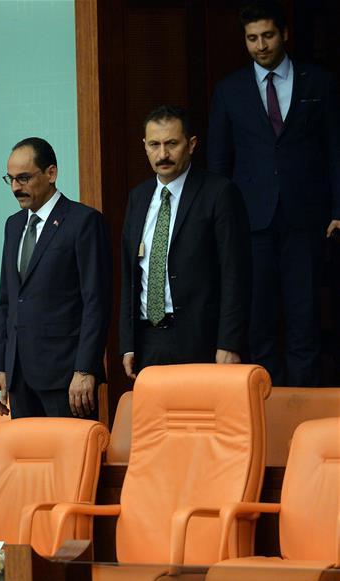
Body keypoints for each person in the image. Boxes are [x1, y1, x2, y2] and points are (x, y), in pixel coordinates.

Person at [207, 0, 340, 386]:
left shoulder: (319, 82)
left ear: (284, 34)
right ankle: (267, 415)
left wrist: (337, 208)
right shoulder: (229, 91)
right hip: (251, 223)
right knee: (259, 323)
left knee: (305, 320)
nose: (260, 45)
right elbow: (219, 165)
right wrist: (221, 222)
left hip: (307, 219)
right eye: (252, 38)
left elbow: (334, 150)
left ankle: (305, 414)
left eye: (267, 35)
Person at [121, 106, 251, 377]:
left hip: (201, 338)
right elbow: (129, 275)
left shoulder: (218, 192)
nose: (163, 154)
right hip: (149, 339)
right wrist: (128, 344)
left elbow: (235, 272)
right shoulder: (138, 197)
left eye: (172, 144)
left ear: (191, 144)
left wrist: (229, 341)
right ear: (144, 146)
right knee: (156, 419)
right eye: (154, 145)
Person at [0, 138, 111, 420]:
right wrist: (0, 366)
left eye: (24, 178)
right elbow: (7, 302)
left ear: (51, 174)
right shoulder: (14, 224)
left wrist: (85, 369)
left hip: (66, 378)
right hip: (20, 378)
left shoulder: (83, 222)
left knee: (72, 462)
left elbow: (96, 303)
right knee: (31, 462)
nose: (16, 187)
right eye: (11, 179)